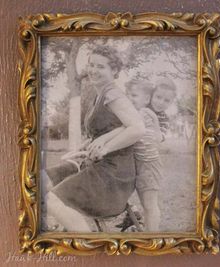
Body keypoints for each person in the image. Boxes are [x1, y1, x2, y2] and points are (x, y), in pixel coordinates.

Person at [45, 46, 146, 232]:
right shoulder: (100, 95)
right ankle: (58, 228)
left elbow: (138, 128)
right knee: (39, 181)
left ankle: (89, 245)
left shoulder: (112, 94)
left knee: (51, 200)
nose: (93, 70)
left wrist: (106, 148)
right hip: (96, 166)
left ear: (114, 70)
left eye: (101, 67)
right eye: (91, 65)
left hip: (112, 176)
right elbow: (110, 130)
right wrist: (84, 148)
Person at [125, 79, 163, 231]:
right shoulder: (140, 113)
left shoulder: (142, 113)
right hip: (139, 163)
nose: (129, 98)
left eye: (134, 95)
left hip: (148, 164)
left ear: (146, 99)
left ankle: (152, 237)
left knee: (150, 205)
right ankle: (147, 231)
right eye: (127, 94)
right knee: (146, 204)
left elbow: (127, 131)